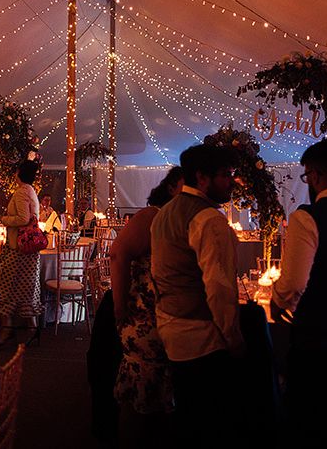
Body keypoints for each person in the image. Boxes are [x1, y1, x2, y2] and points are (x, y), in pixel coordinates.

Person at [150, 144, 243, 447]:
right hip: (201, 333)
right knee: (209, 420)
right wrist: (233, 337)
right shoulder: (208, 219)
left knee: (187, 411)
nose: (232, 181)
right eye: (226, 175)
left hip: (170, 324)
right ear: (202, 178)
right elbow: (219, 287)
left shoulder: (164, 213)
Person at [110, 166, 183, 446]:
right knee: (142, 385)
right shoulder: (151, 216)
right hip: (143, 315)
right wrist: (119, 308)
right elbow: (118, 255)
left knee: (159, 391)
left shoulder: (177, 219)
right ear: (173, 186)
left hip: (165, 317)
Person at [271, 138, 327, 445]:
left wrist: (277, 302)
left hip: (318, 338)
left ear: (315, 175)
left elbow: (294, 282)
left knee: (309, 417)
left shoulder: (308, 217)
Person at [0, 159, 43, 342]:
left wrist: (3, 219)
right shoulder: (31, 191)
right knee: (25, 289)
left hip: (19, 249)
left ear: (19, 173)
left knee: (3, 287)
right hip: (28, 250)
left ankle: (7, 327)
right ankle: (30, 327)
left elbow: (23, 218)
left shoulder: (21, 192)